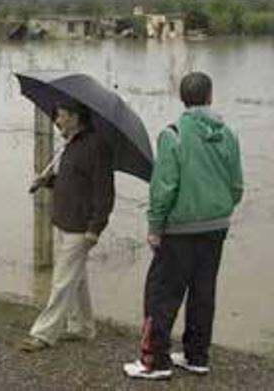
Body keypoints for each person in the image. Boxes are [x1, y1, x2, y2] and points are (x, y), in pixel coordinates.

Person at [123, 72, 243, 380]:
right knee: (204, 292)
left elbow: (164, 188)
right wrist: (218, 207)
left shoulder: (172, 134)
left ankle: (154, 362)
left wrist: (155, 226)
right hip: (216, 226)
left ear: (181, 98)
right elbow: (236, 186)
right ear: (210, 96)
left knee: (161, 294)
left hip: (179, 229)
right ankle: (196, 356)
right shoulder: (228, 134)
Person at [21, 99, 115, 352]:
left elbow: (104, 193)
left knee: (62, 281)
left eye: (61, 116)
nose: (57, 121)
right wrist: (47, 181)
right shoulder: (70, 144)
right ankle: (83, 327)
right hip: (65, 221)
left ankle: (43, 333)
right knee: (77, 279)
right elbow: (71, 181)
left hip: (80, 227)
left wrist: (95, 228)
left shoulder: (96, 147)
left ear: (75, 117)